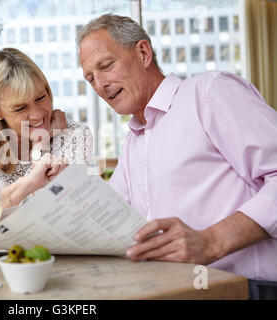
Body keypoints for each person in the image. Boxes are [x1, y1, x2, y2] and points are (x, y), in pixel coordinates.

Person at [77, 14, 277, 299]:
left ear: (143, 53)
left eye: (106, 66)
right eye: (90, 78)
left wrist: (211, 241)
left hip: (245, 289)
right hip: (175, 291)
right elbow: (105, 219)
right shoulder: (134, 141)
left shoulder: (208, 92)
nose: (100, 85)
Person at [0, 48, 93, 209]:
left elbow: (66, 211)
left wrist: (40, 145)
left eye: (40, 98)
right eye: (20, 108)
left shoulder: (74, 134)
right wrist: (30, 181)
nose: (37, 114)